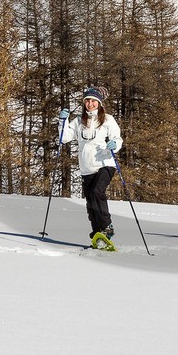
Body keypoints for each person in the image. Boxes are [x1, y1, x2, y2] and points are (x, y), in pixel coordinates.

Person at [58, 85, 122, 248]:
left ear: (99, 103)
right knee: (90, 201)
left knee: (96, 192)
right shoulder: (79, 121)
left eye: (94, 101)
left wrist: (114, 144)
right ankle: (98, 233)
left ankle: (107, 227)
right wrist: (62, 121)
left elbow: (118, 138)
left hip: (105, 163)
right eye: (87, 101)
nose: (90, 104)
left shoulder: (108, 119)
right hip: (87, 167)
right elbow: (64, 138)